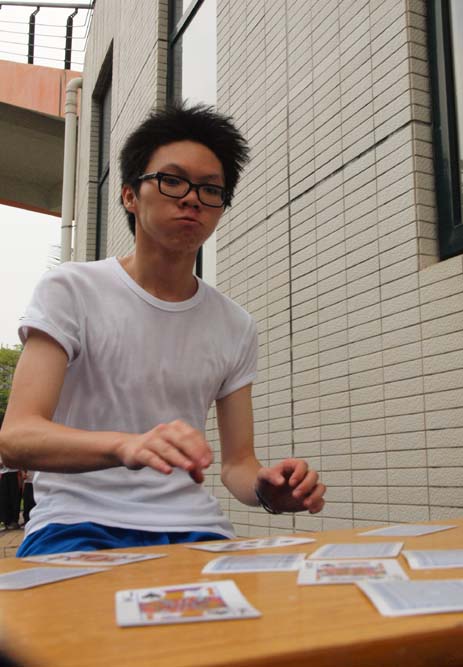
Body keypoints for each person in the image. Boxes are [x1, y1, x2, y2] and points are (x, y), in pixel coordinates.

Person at [0, 103, 326, 557]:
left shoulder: (235, 325)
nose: (192, 198)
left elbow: (238, 464)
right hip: (78, 522)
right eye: (172, 180)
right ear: (130, 196)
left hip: (196, 528)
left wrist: (267, 488)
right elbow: (16, 437)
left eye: (211, 189)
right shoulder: (71, 290)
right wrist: (126, 446)